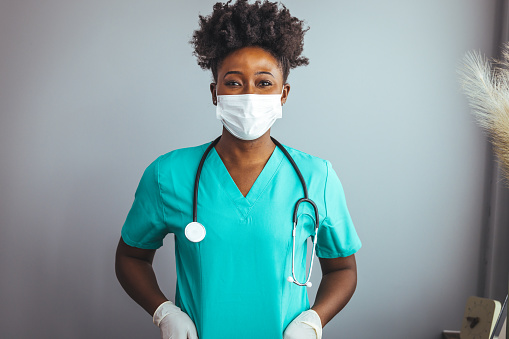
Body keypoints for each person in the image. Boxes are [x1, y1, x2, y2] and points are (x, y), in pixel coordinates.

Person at [115, 1, 361, 338]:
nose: (249, 95)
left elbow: (343, 268)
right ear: (215, 92)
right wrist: (164, 312)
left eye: (263, 83)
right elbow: (130, 257)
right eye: (233, 83)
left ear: (283, 94)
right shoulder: (168, 174)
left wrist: (313, 321)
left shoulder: (316, 177)